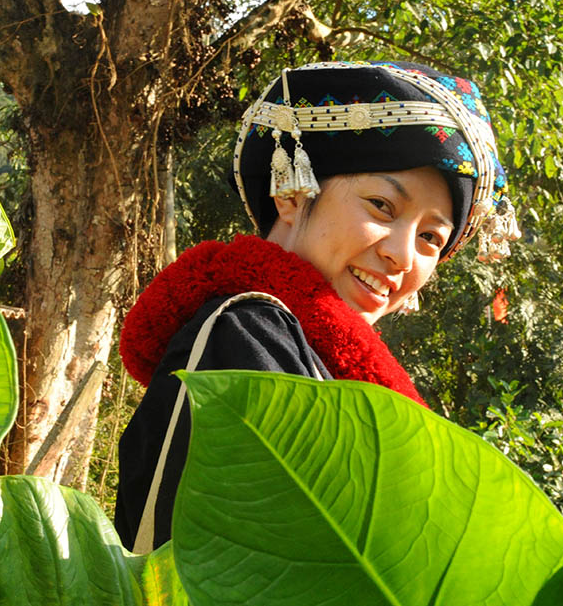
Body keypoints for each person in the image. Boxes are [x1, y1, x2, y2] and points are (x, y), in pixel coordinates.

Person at [114, 60, 520, 553]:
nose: (401, 253)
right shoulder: (245, 335)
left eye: (431, 237)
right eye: (382, 206)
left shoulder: (309, 357)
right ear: (292, 192)